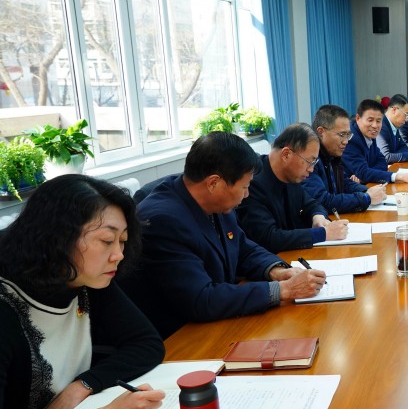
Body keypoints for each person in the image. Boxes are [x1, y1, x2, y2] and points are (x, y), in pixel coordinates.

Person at [0, 175, 166, 409]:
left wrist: (82, 386)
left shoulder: (85, 277)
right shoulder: (6, 306)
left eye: (123, 241)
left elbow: (147, 343)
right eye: (106, 241)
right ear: (57, 237)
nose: (119, 254)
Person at [118, 132, 327, 338]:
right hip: (180, 338)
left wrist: (276, 270)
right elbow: (201, 299)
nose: (247, 194)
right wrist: (282, 290)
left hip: (218, 321)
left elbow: (242, 246)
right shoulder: (164, 220)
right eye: (244, 187)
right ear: (213, 183)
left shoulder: (214, 201)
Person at [237, 123, 349, 253]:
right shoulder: (251, 183)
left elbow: (311, 203)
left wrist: (317, 216)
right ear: (286, 154)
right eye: (310, 161)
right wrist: (323, 234)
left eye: (315, 162)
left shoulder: (290, 176)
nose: (311, 169)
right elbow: (269, 238)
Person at [303, 104, 388, 214]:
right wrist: (366, 198)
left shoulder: (332, 153)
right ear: (321, 131)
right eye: (342, 134)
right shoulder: (309, 160)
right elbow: (323, 201)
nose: (346, 141)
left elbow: (344, 183)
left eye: (348, 135)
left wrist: (367, 191)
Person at [342, 99, 408, 184]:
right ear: (358, 118)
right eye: (370, 120)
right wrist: (398, 176)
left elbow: (382, 162)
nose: (375, 125)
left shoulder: (369, 133)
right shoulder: (350, 139)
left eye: (378, 121)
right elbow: (364, 171)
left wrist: (366, 175)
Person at [377, 94, 408, 164]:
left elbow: (403, 147)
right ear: (394, 110)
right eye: (406, 115)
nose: (407, 120)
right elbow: (386, 157)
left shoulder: (395, 125)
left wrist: (395, 155)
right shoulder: (381, 126)